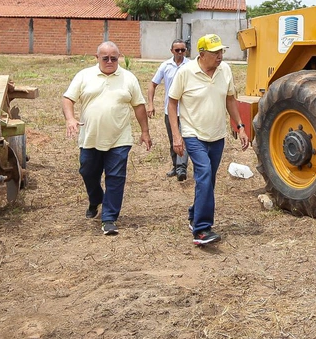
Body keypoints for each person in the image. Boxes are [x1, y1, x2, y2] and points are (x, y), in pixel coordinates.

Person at [62, 41, 152, 236]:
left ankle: (109, 218)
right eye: (105, 58)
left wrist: (145, 132)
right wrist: (70, 118)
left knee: (116, 178)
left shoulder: (128, 78)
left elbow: (139, 106)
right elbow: (68, 98)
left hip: (119, 139)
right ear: (97, 58)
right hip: (90, 138)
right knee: (88, 172)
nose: (110, 61)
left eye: (114, 58)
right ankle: (95, 199)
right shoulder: (84, 75)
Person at [168, 33, 249, 246]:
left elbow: (230, 99)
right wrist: (177, 136)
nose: (220, 56)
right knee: (203, 174)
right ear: (202, 54)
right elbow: (172, 102)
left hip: (217, 135)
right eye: (215, 53)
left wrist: (240, 126)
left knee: (209, 180)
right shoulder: (186, 72)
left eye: (221, 51)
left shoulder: (225, 70)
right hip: (193, 134)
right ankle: (202, 229)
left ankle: (194, 214)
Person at [147, 39, 190, 181]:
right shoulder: (165, 66)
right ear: (171, 51)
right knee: (173, 140)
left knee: (184, 139)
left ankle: (181, 169)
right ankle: (175, 166)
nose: (180, 53)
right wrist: (151, 104)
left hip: (186, 111)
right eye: (177, 50)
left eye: (182, 50)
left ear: (186, 51)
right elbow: (153, 84)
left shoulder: (190, 66)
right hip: (170, 111)